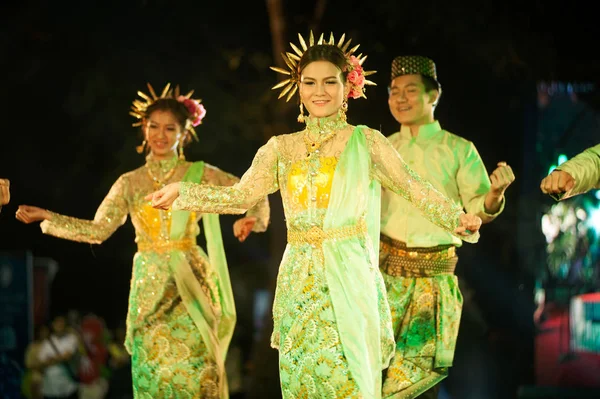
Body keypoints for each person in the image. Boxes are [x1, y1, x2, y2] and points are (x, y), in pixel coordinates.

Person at [146, 32, 482, 399]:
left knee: (348, 380)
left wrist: (455, 217)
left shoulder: (366, 142)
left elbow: (413, 186)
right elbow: (240, 196)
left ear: (347, 87)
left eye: (329, 82)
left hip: (350, 276)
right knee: (303, 379)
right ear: (299, 88)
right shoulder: (280, 147)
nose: (318, 91)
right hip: (299, 281)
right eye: (309, 82)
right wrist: (185, 193)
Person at [16, 84, 271, 399]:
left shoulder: (200, 173)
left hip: (190, 284)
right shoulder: (130, 182)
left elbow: (252, 190)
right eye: (153, 126)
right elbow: (98, 230)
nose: (160, 135)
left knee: (196, 374)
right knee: (153, 375)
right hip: (149, 289)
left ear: (184, 133)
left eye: (169, 128)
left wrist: (253, 220)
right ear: (143, 129)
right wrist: (49, 218)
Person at [379, 55, 515, 398]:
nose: (401, 98)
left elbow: (477, 211)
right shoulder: (381, 149)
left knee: (416, 383)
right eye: (394, 91)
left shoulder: (458, 150)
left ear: (433, 95)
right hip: (381, 280)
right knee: (373, 376)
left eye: (411, 90)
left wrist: (494, 194)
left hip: (432, 283)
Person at [37, 314, 81, 399]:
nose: (59, 324)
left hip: (67, 387)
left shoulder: (71, 338)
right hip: (50, 389)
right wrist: (58, 358)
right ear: (53, 325)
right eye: (57, 322)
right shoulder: (46, 343)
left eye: (61, 322)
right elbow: (41, 364)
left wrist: (51, 359)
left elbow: (67, 356)